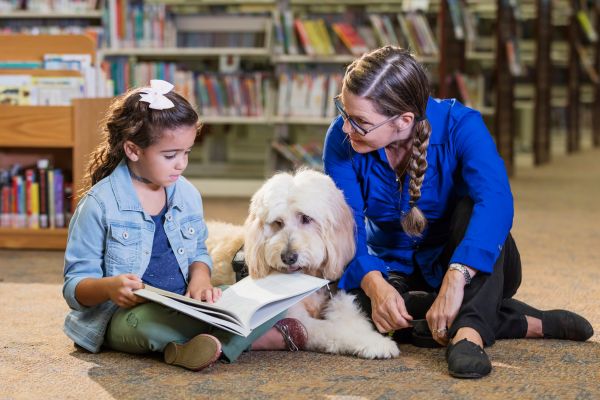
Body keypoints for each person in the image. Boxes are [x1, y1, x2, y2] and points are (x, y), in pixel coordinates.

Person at [323, 46, 593, 379]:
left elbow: (496, 202)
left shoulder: (461, 125)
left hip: (467, 261)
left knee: (471, 209)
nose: (346, 128)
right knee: (355, 311)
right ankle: (521, 321)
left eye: (360, 122)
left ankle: (469, 334)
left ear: (404, 121)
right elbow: (346, 223)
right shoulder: (340, 139)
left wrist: (456, 276)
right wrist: (374, 283)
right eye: (343, 112)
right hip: (392, 266)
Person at [62, 80, 307, 371]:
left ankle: (190, 348)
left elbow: (197, 253)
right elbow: (74, 288)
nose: (181, 164)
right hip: (124, 316)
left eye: (187, 152)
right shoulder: (98, 204)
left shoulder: (186, 193)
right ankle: (246, 342)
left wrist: (201, 278)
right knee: (146, 327)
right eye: (170, 156)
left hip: (184, 304)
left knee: (261, 295)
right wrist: (109, 287)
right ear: (132, 149)